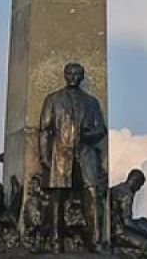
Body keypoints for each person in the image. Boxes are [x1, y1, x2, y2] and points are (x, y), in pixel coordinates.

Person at [37, 63, 108, 251]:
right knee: (57, 198)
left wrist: (88, 136)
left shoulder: (91, 102)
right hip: (60, 154)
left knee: (92, 194)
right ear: (65, 75)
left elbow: (101, 129)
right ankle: (55, 241)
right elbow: (44, 130)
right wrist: (44, 156)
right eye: (70, 73)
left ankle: (95, 241)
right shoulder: (53, 99)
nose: (73, 77)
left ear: (82, 77)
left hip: (85, 154)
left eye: (77, 74)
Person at [110, 169, 147, 259]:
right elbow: (127, 222)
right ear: (136, 182)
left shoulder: (115, 188)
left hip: (113, 229)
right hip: (120, 232)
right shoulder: (127, 194)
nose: (138, 189)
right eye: (139, 186)